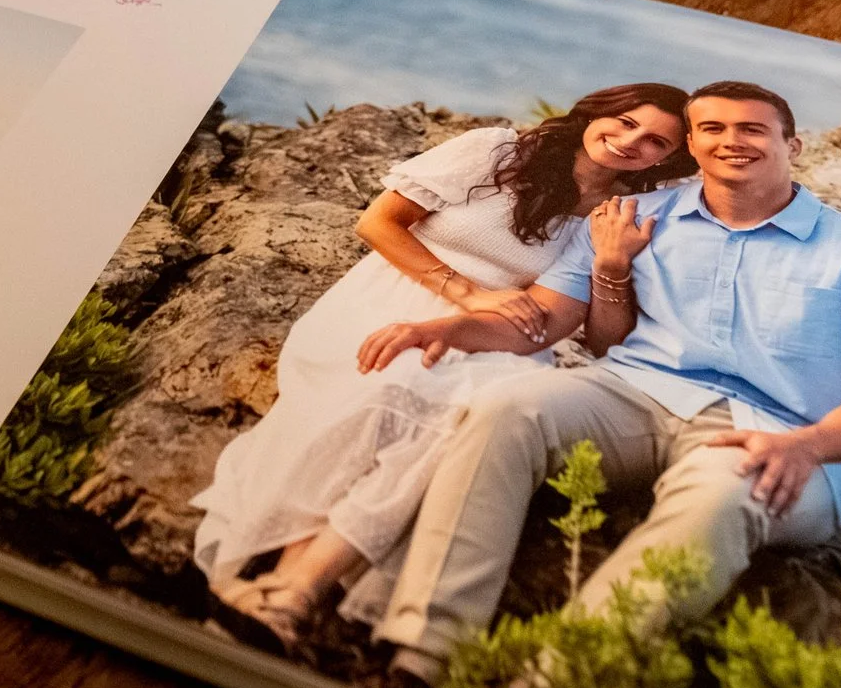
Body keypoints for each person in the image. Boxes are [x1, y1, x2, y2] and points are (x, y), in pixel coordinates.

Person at [355, 82, 841, 687]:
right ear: (690, 144)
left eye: (752, 129)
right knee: (505, 408)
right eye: (712, 129)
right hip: (635, 394)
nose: (731, 141)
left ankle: (555, 687)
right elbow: (545, 323)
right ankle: (423, 657)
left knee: (724, 496)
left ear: (792, 145)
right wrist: (449, 330)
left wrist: (807, 447)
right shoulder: (631, 220)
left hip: (781, 436)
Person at [189, 84, 695, 646]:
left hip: (494, 337)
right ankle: (289, 592)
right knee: (404, 385)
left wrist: (612, 262)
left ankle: (287, 591)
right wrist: (467, 292)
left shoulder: (618, 215)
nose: (630, 142)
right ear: (597, 112)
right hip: (391, 299)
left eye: (654, 142)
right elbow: (379, 223)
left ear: (668, 159)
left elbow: (596, 336)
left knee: (466, 421)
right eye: (624, 122)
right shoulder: (499, 151)